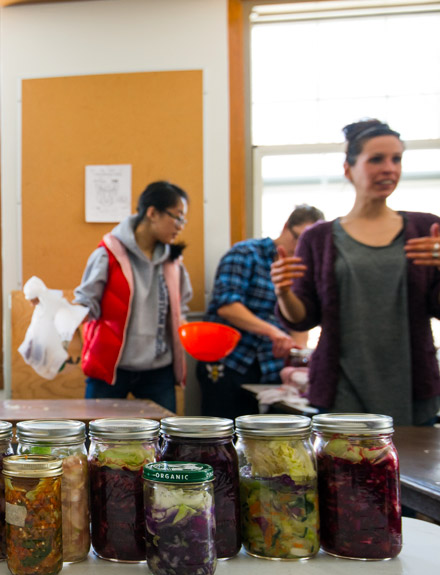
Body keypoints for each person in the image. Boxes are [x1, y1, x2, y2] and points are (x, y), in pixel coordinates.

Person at [272, 119, 440, 427]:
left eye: (396, 159)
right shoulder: (319, 238)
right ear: (349, 169)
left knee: (412, 473)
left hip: (413, 386)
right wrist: (282, 291)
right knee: (345, 472)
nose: (389, 168)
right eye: (376, 159)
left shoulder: (425, 229)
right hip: (341, 389)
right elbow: (303, 317)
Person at [73, 181, 193, 413]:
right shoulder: (108, 255)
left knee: (164, 442)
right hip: (111, 369)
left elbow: (181, 311)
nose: (180, 226)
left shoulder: (173, 263)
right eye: (177, 217)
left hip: (158, 370)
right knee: (97, 439)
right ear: (152, 213)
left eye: (183, 220)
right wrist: (53, 308)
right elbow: (85, 303)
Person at [197, 204, 324, 419]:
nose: (301, 249)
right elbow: (227, 305)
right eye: (299, 239)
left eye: (309, 245)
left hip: (271, 367)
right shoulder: (245, 254)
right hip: (230, 362)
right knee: (226, 433)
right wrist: (273, 332)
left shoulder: (302, 269)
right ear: (285, 228)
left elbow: (300, 321)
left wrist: (297, 355)